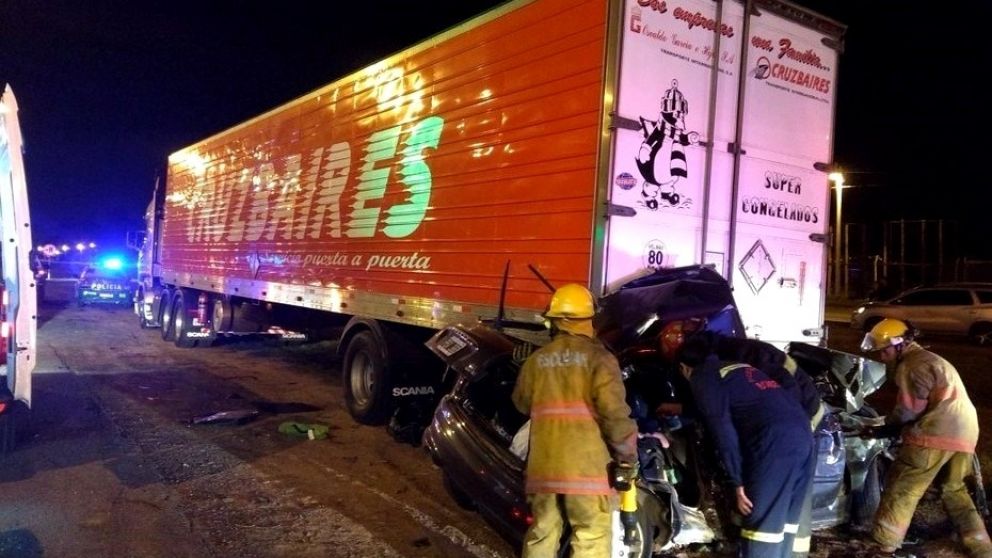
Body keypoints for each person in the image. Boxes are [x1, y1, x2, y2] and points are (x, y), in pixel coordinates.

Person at [658, 321, 823, 557]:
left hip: (774, 441)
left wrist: (738, 482)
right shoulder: (735, 366)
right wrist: (684, 408)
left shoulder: (703, 377)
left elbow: (722, 430)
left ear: (684, 368)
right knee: (783, 526)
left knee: (761, 527)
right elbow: (741, 403)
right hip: (802, 433)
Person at [511, 283, 639, 557]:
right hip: (587, 475)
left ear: (556, 321)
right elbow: (615, 417)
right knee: (591, 540)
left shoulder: (536, 360)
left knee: (540, 538)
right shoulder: (601, 360)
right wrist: (627, 459)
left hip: (543, 472)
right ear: (590, 320)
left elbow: (521, 404)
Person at [860, 319, 992, 558]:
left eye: (884, 349)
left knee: (902, 486)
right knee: (954, 489)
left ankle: (884, 545)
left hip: (934, 434)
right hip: (965, 435)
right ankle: (981, 547)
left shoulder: (912, 365)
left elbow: (909, 411)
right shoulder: (933, 360)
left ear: (900, 344)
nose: (881, 355)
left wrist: (881, 430)